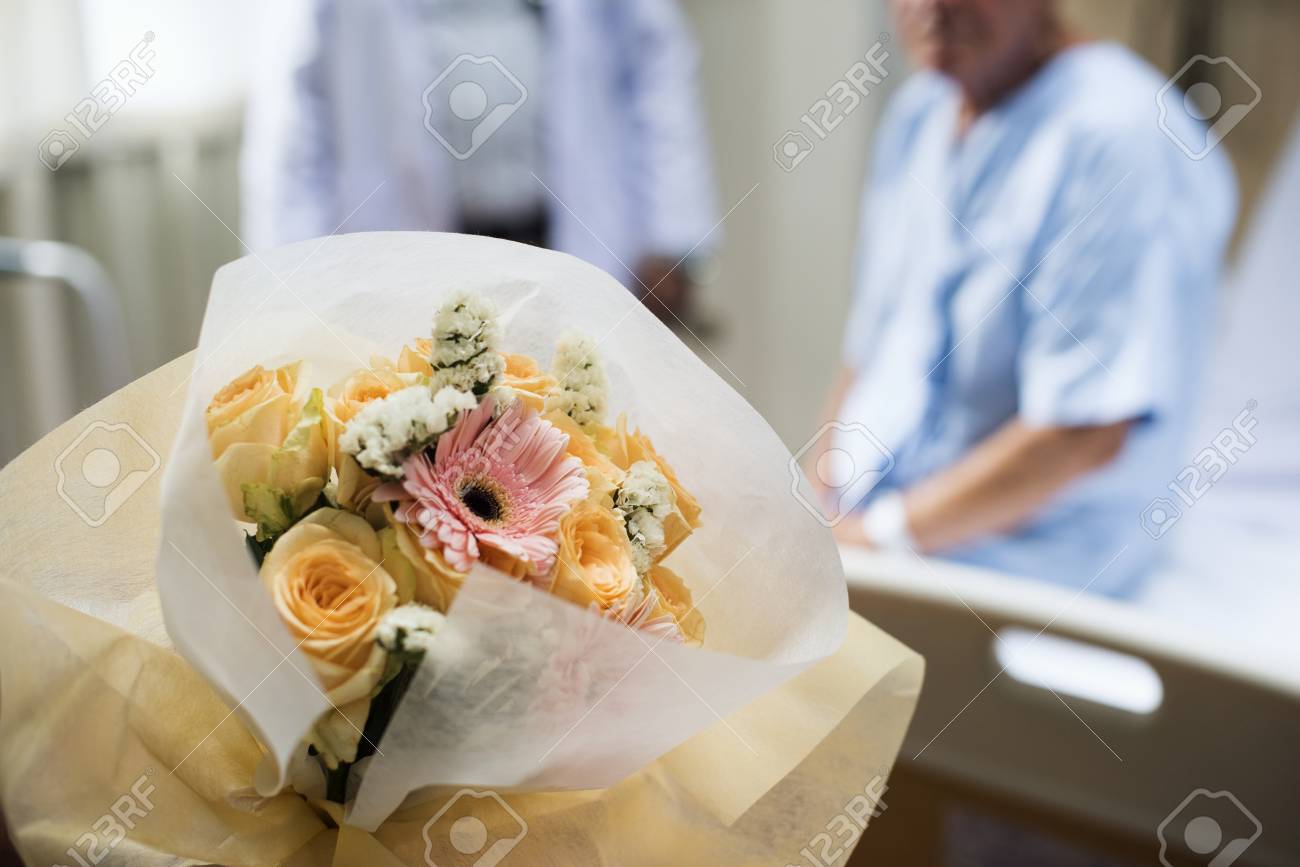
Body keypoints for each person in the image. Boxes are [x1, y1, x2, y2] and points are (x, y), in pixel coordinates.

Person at [812, 0, 1237, 595]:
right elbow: (869, 349)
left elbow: (1083, 433)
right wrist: (813, 509)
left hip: (1031, 584)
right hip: (873, 544)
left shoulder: (1120, 139)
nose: (930, 10)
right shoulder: (921, 113)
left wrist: (873, 541)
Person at [240, 0, 718, 322]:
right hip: (405, 247)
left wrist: (671, 239)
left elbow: (656, 67)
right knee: (423, 448)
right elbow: (294, 118)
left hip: (564, 239)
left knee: (580, 441)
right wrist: (293, 281)